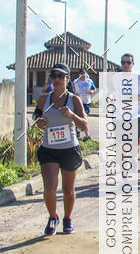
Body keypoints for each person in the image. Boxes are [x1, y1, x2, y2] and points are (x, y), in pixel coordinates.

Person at [32, 62, 88, 236]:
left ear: (67, 79)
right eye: (53, 76)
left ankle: (67, 218)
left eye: (60, 76)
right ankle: (53, 216)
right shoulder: (44, 99)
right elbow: (36, 117)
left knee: (68, 190)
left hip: (69, 149)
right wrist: (39, 122)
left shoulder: (74, 99)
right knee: (49, 188)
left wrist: (71, 115)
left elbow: (85, 125)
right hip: (49, 149)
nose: (56, 79)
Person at [119, 53, 140, 148]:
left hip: (137, 115)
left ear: (133, 64)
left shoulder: (139, 77)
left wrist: (138, 98)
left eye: (128, 62)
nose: (125, 64)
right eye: (123, 62)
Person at [72, 68, 96, 140]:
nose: (82, 75)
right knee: (79, 117)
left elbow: (94, 88)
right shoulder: (75, 82)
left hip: (86, 102)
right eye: (81, 74)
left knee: (85, 117)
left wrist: (92, 91)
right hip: (78, 101)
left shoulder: (89, 81)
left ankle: (82, 132)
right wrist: (74, 94)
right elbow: (72, 89)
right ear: (78, 75)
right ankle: (82, 133)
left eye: (84, 73)